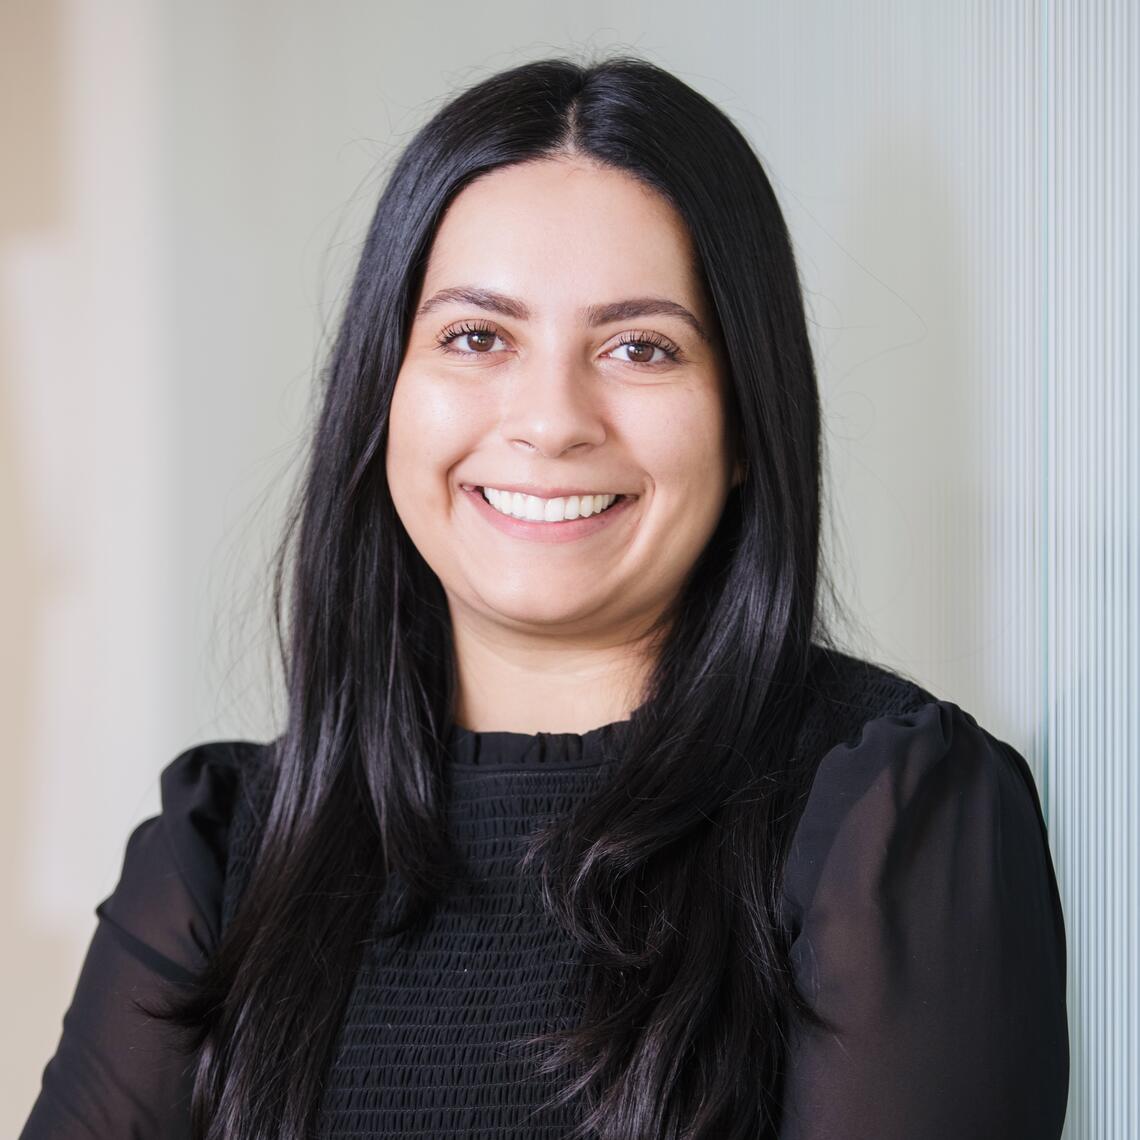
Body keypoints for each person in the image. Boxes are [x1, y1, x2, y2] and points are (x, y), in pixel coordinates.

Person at [20, 55, 1069, 1140]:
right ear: (384, 394)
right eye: (478, 337)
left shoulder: (886, 822)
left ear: (746, 422)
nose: (552, 418)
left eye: (639, 347)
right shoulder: (221, 859)